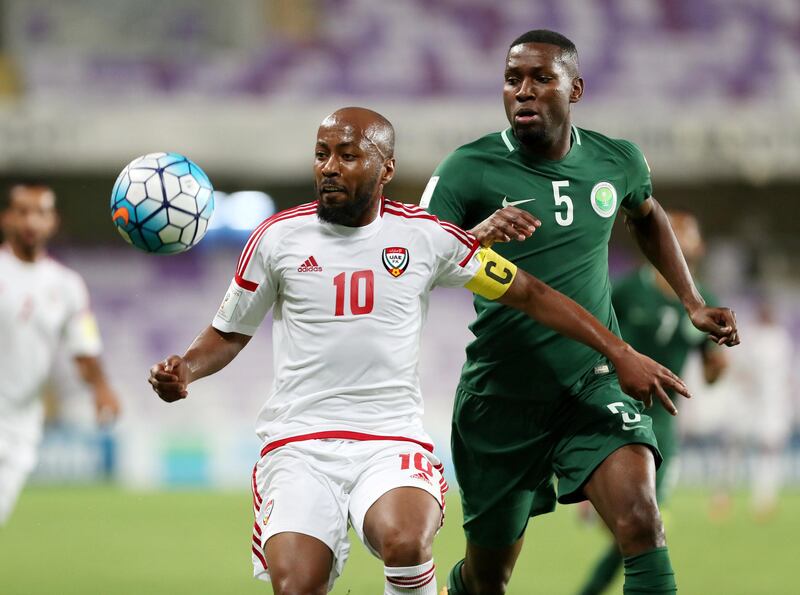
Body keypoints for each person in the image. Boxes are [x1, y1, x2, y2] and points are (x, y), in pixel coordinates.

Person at [148, 107, 690, 595]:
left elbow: (532, 293)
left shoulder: (425, 237)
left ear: (385, 169)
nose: (329, 167)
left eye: (347, 154)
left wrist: (618, 351)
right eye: (321, 155)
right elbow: (229, 331)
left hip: (390, 440)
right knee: (297, 585)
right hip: (298, 443)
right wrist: (187, 370)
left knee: (406, 542)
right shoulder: (275, 238)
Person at [421, 30, 739, 595]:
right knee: (489, 577)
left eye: (541, 78)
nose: (523, 90)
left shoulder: (617, 161)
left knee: (642, 520)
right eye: (512, 78)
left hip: (591, 382)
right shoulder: (466, 169)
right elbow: (410, 261)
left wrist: (691, 302)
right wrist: (471, 238)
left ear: (576, 88)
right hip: (501, 395)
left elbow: (647, 216)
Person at [576, 211, 728, 594]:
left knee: (645, 521)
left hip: (662, 420)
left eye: (686, 236)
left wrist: (719, 361)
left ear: (699, 247)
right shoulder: (628, 290)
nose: (679, 242)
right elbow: (594, 338)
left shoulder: (705, 300)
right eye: (672, 234)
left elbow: (711, 371)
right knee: (640, 523)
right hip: (615, 410)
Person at [0, 183, 120, 526]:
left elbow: (84, 348)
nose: (31, 221)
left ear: (53, 221)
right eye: (22, 211)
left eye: (41, 213)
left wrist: (101, 389)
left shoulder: (67, 286)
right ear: (6, 218)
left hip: (22, 425)